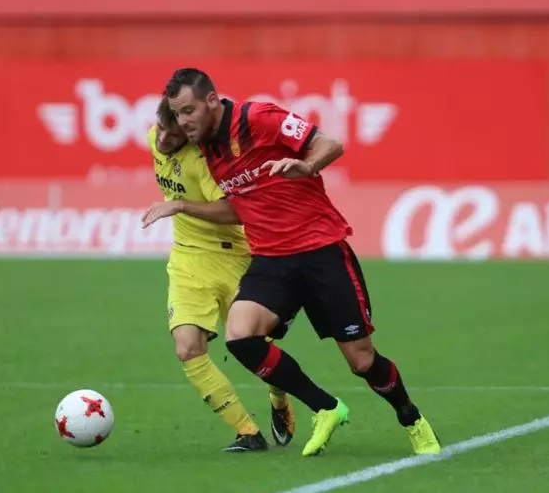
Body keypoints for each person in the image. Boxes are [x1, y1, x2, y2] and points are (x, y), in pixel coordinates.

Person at [150, 67, 441, 457]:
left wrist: (308, 165)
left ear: (212, 101)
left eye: (188, 111)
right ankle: (325, 407)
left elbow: (330, 144)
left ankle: (411, 418)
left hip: (320, 250)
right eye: (177, 113)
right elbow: (235, 206)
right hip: (271, 259)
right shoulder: (204, 148)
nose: (183, 121)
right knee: (240, 336)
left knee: (361, 361)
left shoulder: (258, 118)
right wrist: (181, 203)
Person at [140, 97, 296, 452]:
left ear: (190, 134)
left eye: (173, 135)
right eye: (161, 129)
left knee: (252, 344)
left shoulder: (205, 161)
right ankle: (247, 431)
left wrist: (180, 205)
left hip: (231, 257)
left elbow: (236, 212)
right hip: (187, 259)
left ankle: (279, 398)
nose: (162, 139)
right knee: (187, 348)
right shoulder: (154, 137)